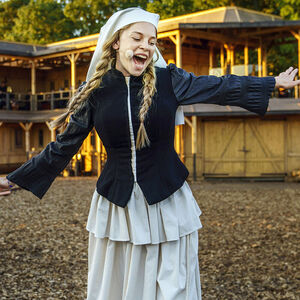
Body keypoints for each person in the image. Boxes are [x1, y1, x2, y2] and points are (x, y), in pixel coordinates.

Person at [0, 7, 300, 300]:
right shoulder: (95, 91)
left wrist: (272, 82)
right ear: (116, 42)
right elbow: (63, 146)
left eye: (152, 41)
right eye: (137, 38)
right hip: (117, 208)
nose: (146, 45)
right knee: (120, 285)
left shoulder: (170, 81)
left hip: (169, 202)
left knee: (174, 287)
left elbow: (218, 86)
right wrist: (14, 181)